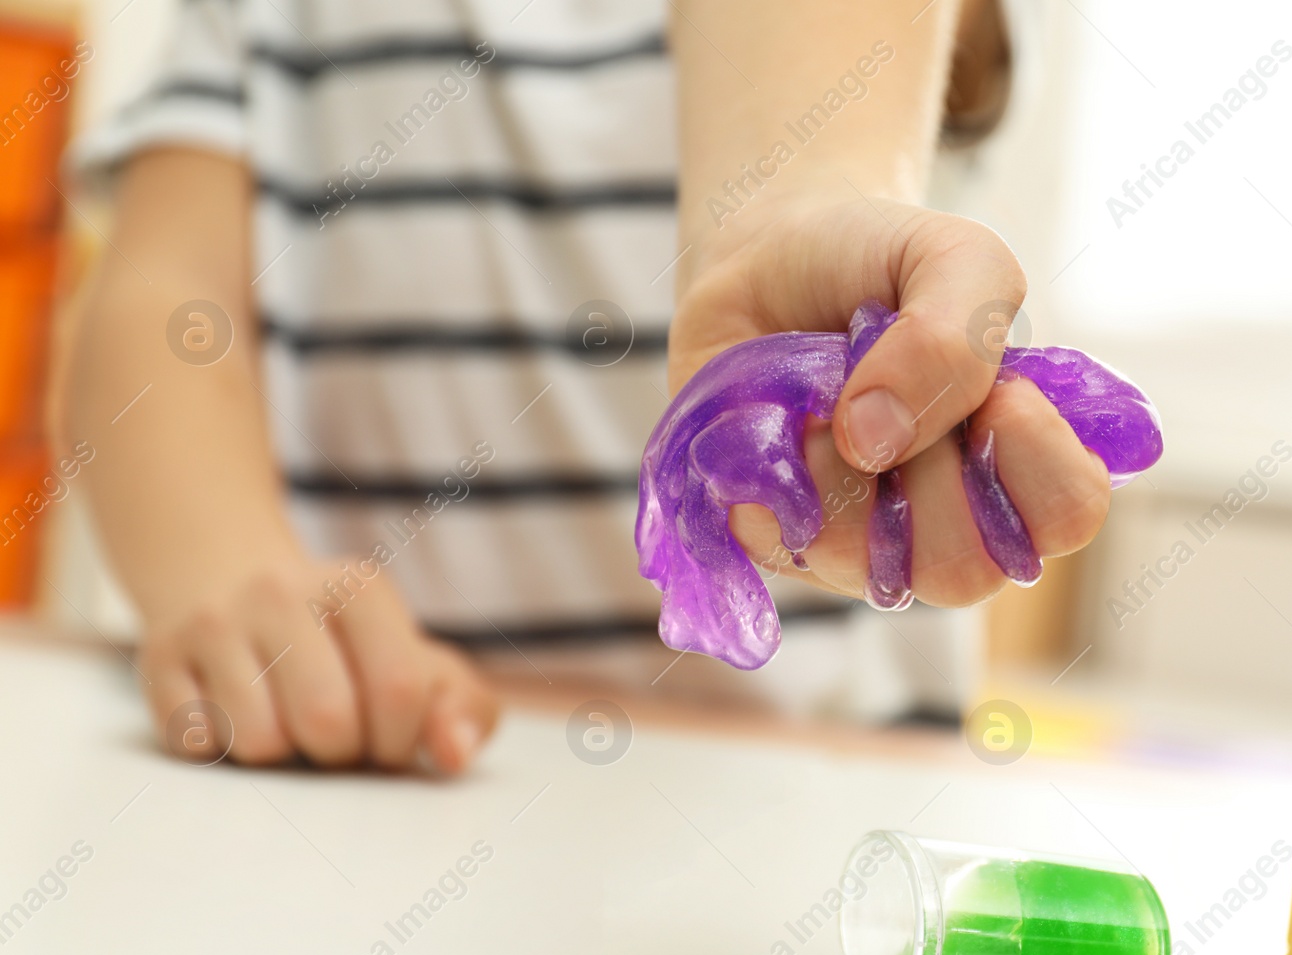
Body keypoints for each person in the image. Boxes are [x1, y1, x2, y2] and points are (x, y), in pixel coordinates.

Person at [62, 0, 1111, 773]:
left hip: (820, 800)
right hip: (389, 774)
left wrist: (792, 209)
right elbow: (164, 295)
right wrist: (227, 571)